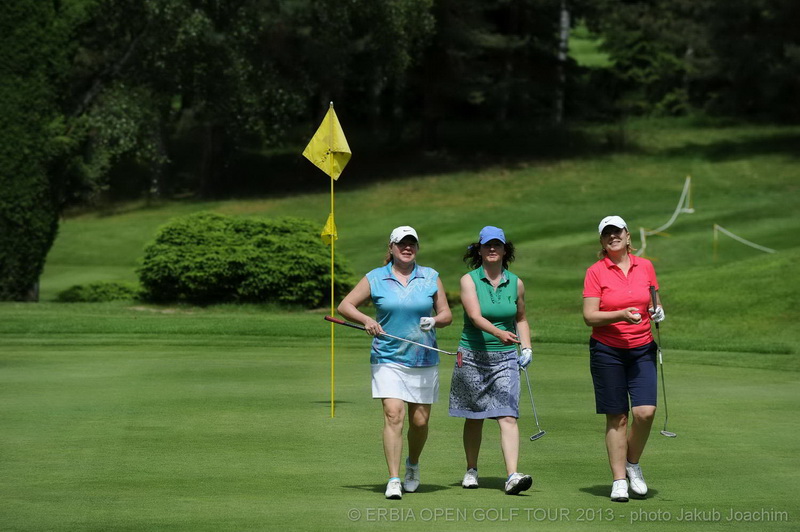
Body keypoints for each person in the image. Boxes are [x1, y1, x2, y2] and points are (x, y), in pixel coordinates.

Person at [338, 226, 452, 500]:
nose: (407, 247)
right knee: (393, 414)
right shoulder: (376, 277)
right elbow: (345, 306)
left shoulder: (430, 277)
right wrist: (366, 320)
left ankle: (412, 464)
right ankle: (393, 478)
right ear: (391, 247)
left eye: (412, 243)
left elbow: (446, 315)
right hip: (387, 357)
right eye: (401, 243)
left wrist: (434, 320)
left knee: (420, 421)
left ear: (417, 248)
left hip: (423, 357)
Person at [582, 215, 666, 502]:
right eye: (607, 233)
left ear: (628, 236)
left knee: (645, 413)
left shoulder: (646, 266)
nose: (613, 237)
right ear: (602, 240)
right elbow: (589, 316)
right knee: (617, 416)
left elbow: (653, 301)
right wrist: (620, 314)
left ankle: (632, 463)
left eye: (617, 232)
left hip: (642, 348)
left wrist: (657, 311)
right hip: (607, 350)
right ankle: (619, 480)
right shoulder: (596, 271)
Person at [449, 226, 534, 495]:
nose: (493, 249)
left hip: (506, 357)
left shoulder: (516, 283)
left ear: (505, 250)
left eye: (497, 244)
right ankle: (471, 469)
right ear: (480, 250)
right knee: (474, 416)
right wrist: (500, 333)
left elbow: (521, 318)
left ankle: (512, 475)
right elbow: (475, 317)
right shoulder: (469, 280)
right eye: (488, 245)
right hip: (473, 355)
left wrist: (527, 347)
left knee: (507, 415)